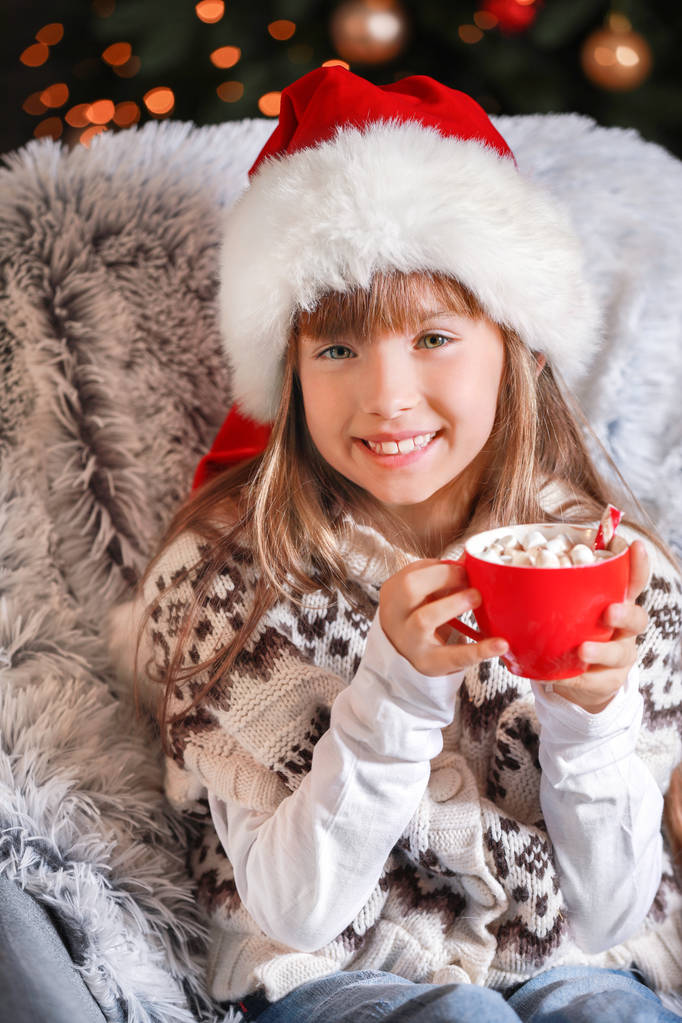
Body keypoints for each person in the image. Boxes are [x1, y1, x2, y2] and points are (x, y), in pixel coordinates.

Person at [112, 67, 682, 1022]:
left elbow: (616, 907)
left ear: (517, 345)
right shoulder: (228, 577)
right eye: (336, 348)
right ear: (289, 374)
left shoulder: (621, 572)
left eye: (433, 337)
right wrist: (398, 686)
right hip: (329, 975)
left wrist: (592, 718)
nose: (386, 397)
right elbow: (295, 909)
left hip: (574, 962)